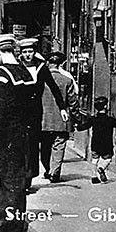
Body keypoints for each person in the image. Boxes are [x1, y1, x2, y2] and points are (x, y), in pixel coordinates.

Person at [0, 34, 42, 232]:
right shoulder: (25, 72)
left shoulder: (2, 75)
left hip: (6, 138)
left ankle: (8, 231)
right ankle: (18, 231)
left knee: (7, 184)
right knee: (18, 184)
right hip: (24, 136)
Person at [17, 37, 67, 192]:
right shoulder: (16, 67)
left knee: (32, 145)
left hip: (35, 112)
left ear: (34, 52)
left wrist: (62, 108)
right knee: (20, 145)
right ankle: (20, 177)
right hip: (18, 112)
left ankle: (28, 178)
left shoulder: (41, 68)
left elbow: (53, 87)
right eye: (24, 52)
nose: (27, 55)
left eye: (30, 51)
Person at [40, 53, 79, 183]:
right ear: (61, 64)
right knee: (59, 145)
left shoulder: (41, 80)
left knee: (45, 146)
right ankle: (54, 172)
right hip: (61, 120)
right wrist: (76, 117)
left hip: (43, 119)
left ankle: (47, 170)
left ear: (48, 63)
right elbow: (73, 101)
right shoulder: (67, 80)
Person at [78, 96, 116, 183]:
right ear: (105, 106)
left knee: (94, 159)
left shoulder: (93, 119)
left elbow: (83, 126)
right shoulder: (109, 120)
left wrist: (77, 126)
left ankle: (94, 177)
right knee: (107, 158)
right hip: (106, 144)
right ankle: (101, 168)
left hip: (95, 143)